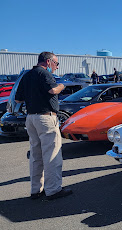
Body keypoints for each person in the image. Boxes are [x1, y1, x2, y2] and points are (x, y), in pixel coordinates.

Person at [14, 51, 73, 200]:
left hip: (31, 118)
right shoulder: (45, 74)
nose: (57, 67)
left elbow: (18, 99)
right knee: (52, 154)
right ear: (48, 62)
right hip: (46, 118)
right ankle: (53, 190)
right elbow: (52, 90)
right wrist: (61, 86)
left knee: (35, 155)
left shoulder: (26, 75)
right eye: (56, 63)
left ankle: (36, 189)